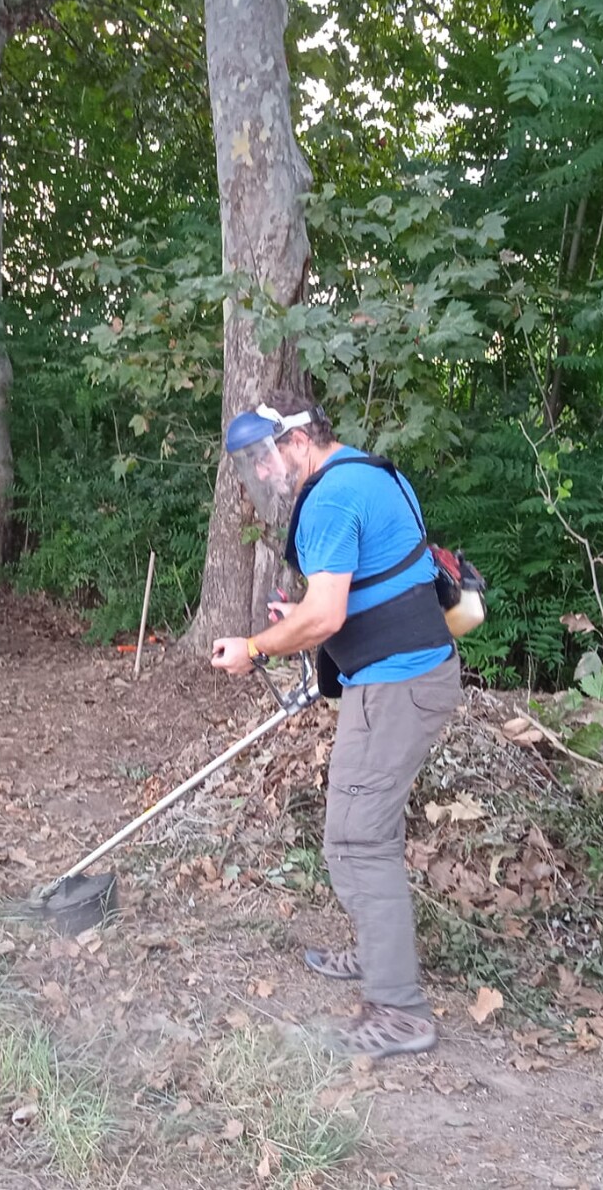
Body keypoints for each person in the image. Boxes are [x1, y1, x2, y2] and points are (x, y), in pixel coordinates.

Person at [210, 391, 462, 1059]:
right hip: (412, 675)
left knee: (356, 840)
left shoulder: (329, 497)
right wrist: (296, 615)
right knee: (365, 830)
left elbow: (324, 618)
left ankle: (399, 1012)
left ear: (299, 440)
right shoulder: (373, 473)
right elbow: (361, 586)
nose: (263, 473)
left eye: (265, 457)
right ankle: (378, 954)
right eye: (252, 464)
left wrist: (256, 646)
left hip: (396, 686)